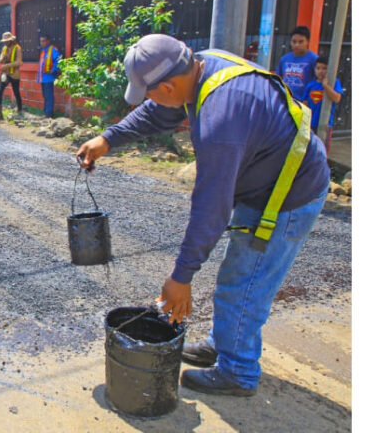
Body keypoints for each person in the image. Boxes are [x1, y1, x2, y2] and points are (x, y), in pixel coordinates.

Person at [76, 34, 329, 397]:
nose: (149, 100)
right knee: (236, 274)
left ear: (167, 85)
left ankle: (238, 371)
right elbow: (159, 110)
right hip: (267, 179)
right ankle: (224, 342)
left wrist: (181, 276)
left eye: (149, 92)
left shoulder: (221, 119)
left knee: (245, 283)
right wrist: (109, 138)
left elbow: (212, 206)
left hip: (288, 195)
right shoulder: (201, 66)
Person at [301, 56, 344, 150]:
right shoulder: (311, 85)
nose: (321, 71)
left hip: (326, 124)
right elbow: (305, 103)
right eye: (318, 68)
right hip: (310, 123)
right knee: (309, 149)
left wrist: (325, 86)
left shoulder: (334, 82)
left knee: (322, 149)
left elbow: (337, 98)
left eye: (324, 68)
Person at [275, 26, 318, 100]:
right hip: (285, 101)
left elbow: (318, 81)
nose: (297, 45)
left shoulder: (314, 59)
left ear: (307, 42)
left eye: (301, 42)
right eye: (294, 42)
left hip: (303, 102)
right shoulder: (284, 59)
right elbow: (277, 79)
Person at [0, 31, 23, 120]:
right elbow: (0, 60)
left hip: (14, 74)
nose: (6, 42)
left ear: (11, 40)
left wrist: (7, 65)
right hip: (6, 74)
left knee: (16, 92)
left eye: (7, 41)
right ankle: (0, 113)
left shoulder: (17, 48)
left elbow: (19, 62)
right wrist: (3, 58)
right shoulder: (4, 49)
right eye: (4, 41)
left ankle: (20, 111)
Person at [36, 33, 61, 118]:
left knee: (49, 96)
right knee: (45, 96)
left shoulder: (53, 50)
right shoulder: (43, 51)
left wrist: (52, 70)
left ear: (48, 41)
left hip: (49, 78)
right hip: (42, 78)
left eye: (43, 41)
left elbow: (58, 62)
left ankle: (48, 114)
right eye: (41, 41)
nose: (41, 43)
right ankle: (46, 112)